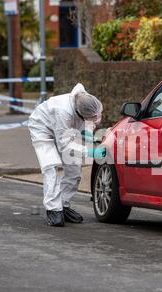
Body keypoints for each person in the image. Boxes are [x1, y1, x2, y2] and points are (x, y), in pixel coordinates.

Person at [28, 83, 105, 227]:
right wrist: (90, 151)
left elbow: (88, 122)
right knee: (52, 167)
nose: (96, 119)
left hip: (66, 130)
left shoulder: (86, 102)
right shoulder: (62, 112)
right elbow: (65, 145)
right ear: (80, 113)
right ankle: (53, 209)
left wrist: (88, 137)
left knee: (74, 170)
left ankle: (63, 205)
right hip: (42, 128)